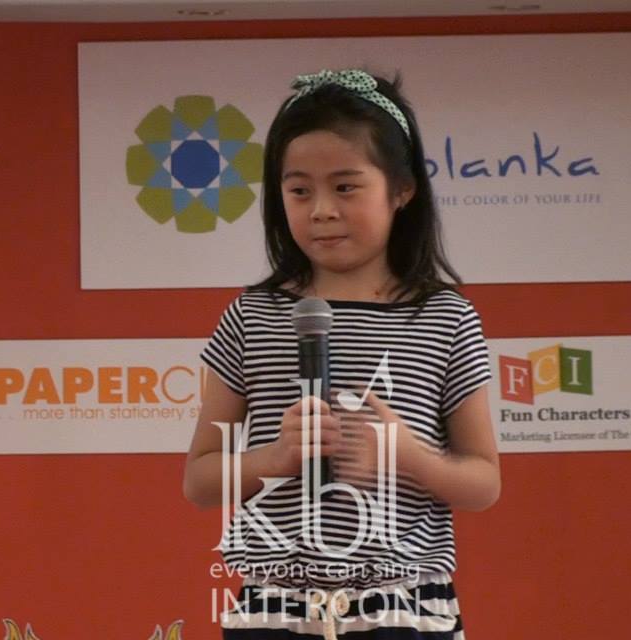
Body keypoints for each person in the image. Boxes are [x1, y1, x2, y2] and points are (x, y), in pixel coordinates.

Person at [183, 68, 500, 640]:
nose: (321, 210)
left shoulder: (444, 317)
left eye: (346, 187)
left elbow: (483, 484)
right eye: (299, 191)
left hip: (404, 607)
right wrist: (275, 457)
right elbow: (201, 481)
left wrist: (409, 455)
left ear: (401, 190)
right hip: (274, 606)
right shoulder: (253, 315)